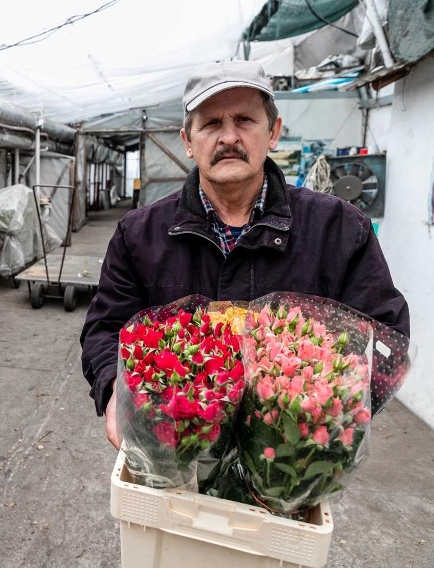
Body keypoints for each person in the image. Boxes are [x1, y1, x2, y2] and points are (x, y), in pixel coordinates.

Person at [80, 59, 410, 449]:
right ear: (187, 142)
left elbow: (383, 339)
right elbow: (105, 330)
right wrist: (118, 389)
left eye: (245, 120)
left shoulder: (339, 229)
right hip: (173, 445)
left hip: (287, 456)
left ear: (273, 132)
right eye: (211, 124)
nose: (229, 137)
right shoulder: (138, 234)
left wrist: (321, 419)